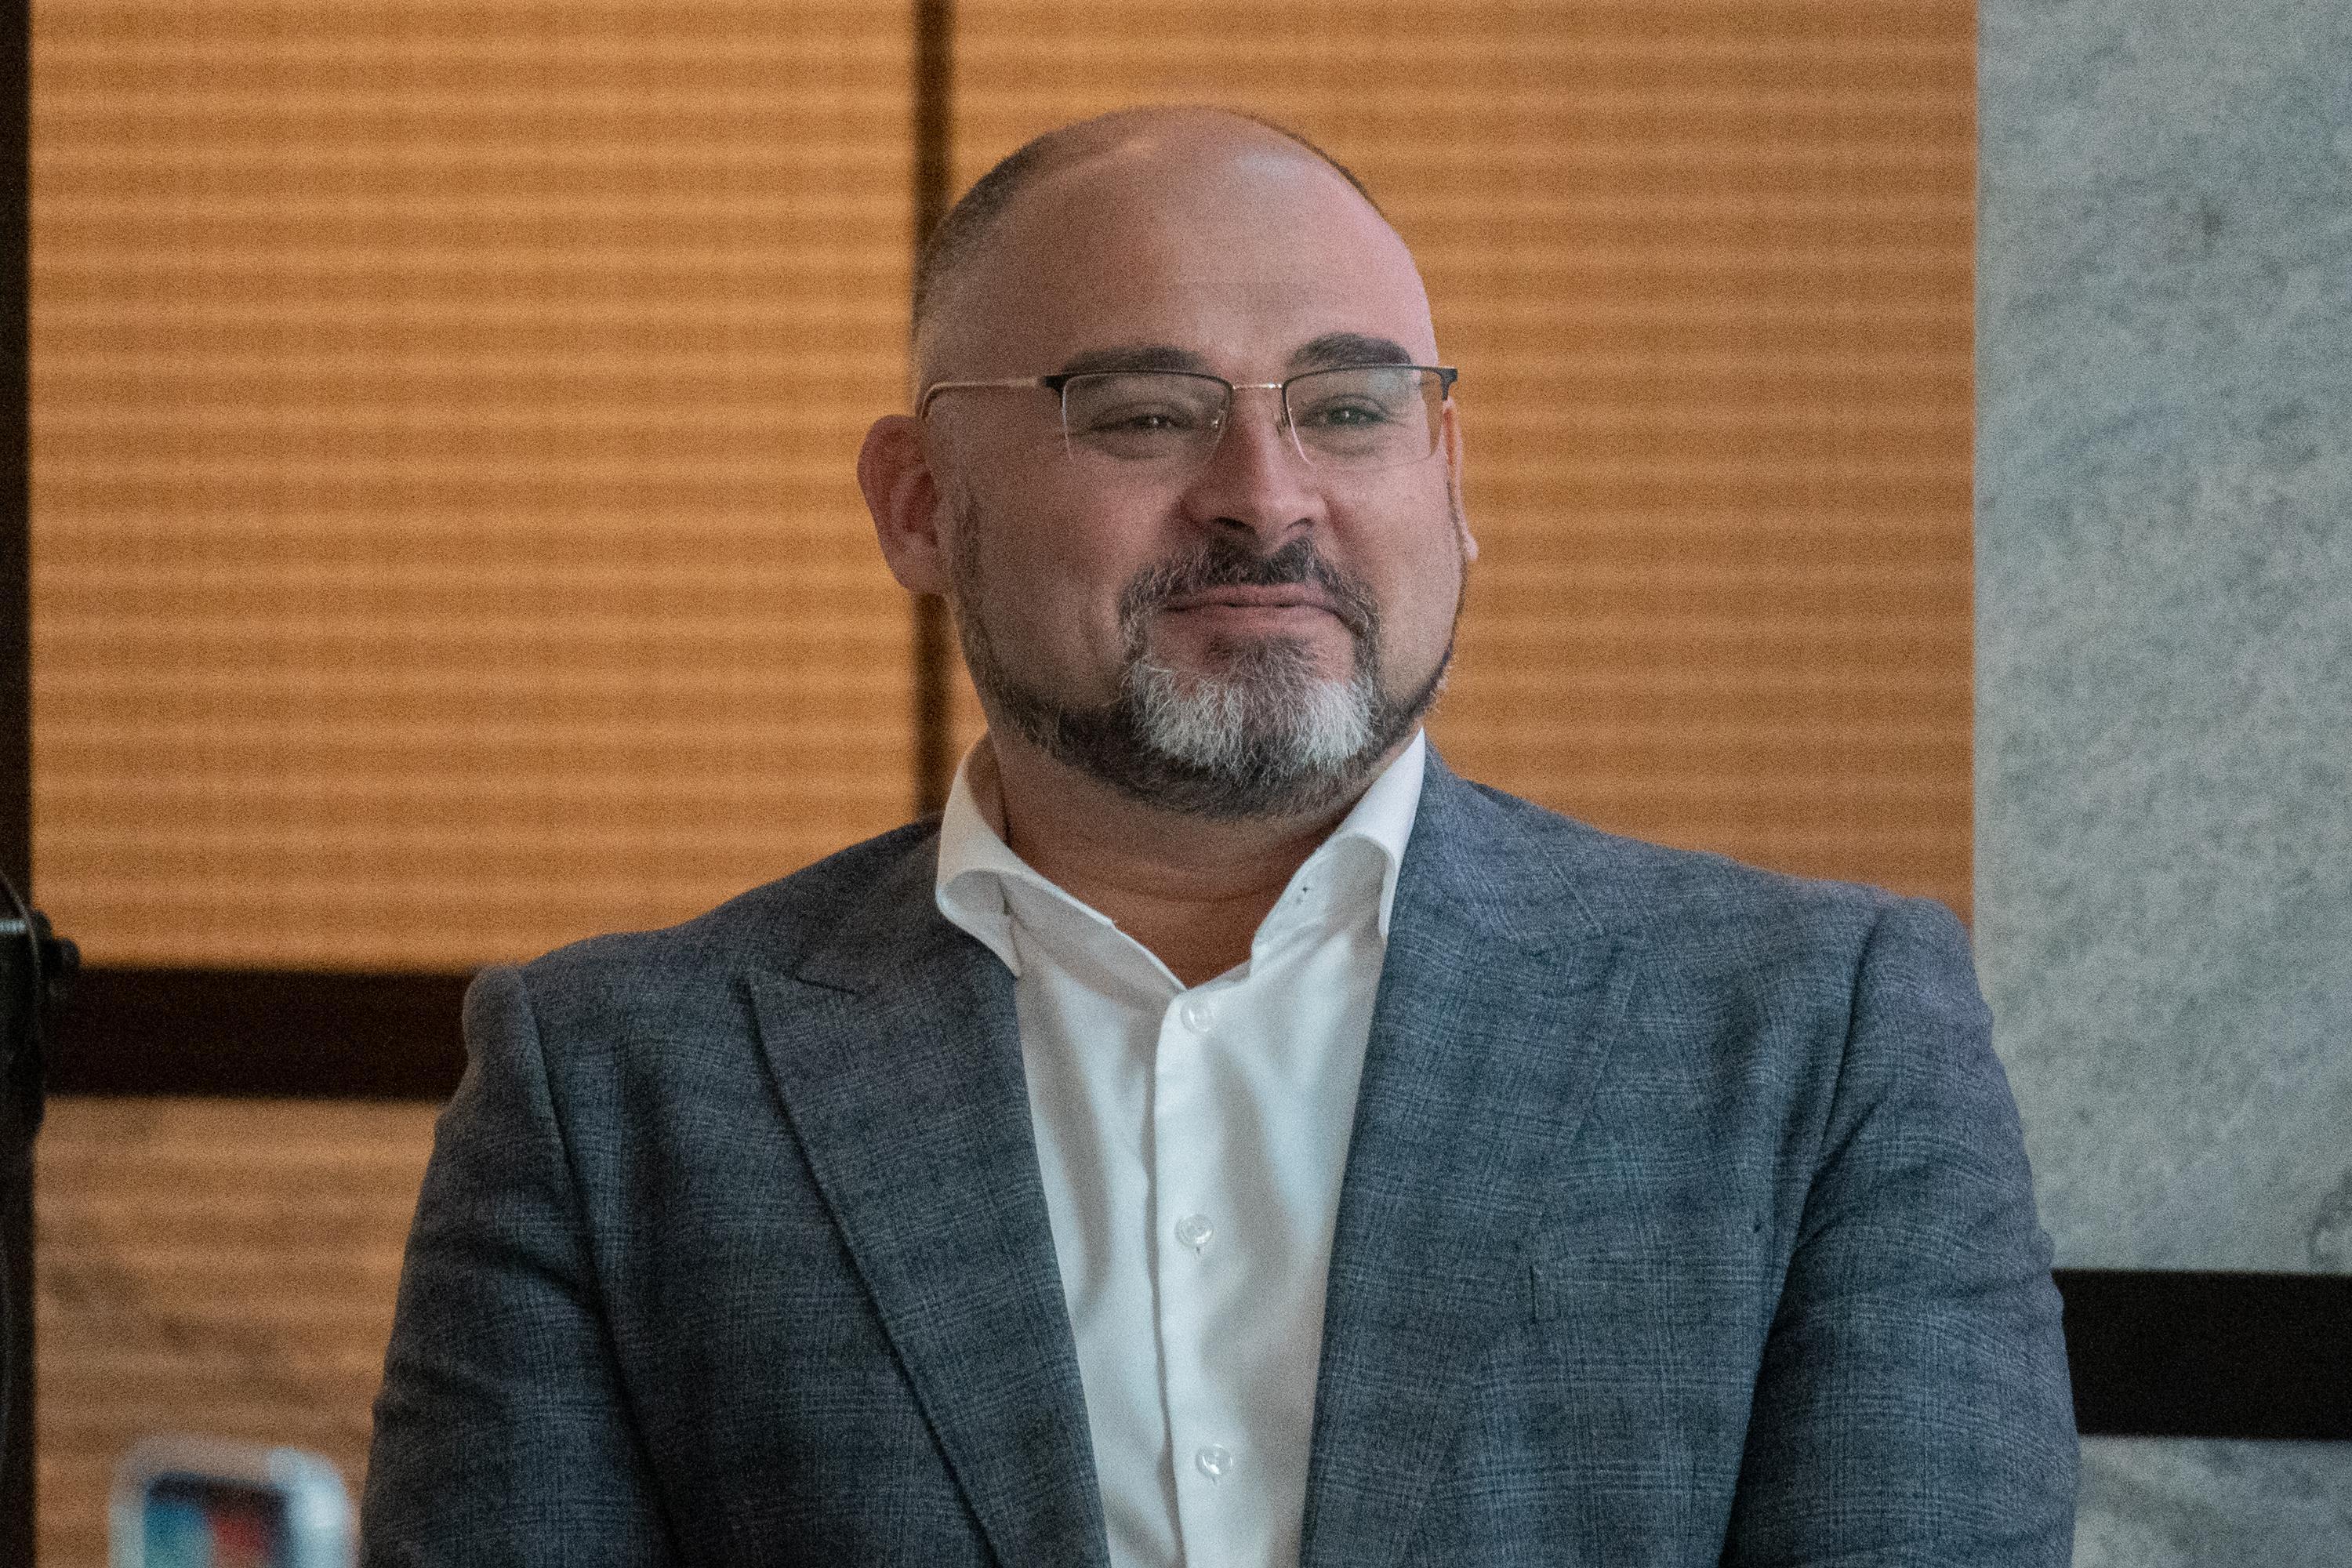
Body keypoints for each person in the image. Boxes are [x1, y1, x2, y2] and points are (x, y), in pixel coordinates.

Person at [362, 107, 2077, 1567]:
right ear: (918, 504)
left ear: (1451, 476)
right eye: (1144, 412)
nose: (1264, 493)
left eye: (1350, 406)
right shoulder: (613, 1091)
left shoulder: (1816, 1035)